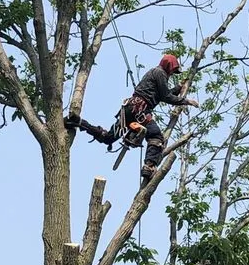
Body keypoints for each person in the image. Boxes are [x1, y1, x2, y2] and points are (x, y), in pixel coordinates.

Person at [66, 55, 199, 182]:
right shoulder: (160, 73)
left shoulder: (156, 73)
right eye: (173, 71)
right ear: (169, 67)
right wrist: (186, 101)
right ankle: (148, 166)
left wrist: (179, 88)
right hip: (139, 111)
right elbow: (166, 97)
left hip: (129, 110)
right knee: (156, 137)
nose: (171, 74)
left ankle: (78, 122)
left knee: (108, 138)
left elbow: (162, 95)